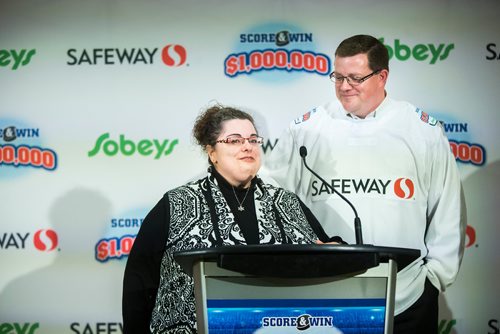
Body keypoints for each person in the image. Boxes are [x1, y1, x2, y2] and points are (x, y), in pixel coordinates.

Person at [262, 34, 467, 333]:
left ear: (382, 76)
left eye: (355, 78)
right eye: (338, 77)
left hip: (407, 295)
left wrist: (435, 277)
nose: (345, 86)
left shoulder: (422, 130)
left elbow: (447, 208)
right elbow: (271, 196)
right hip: (323, 292)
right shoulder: (306, 128)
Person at [122, 104, 341, 333]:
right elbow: (139, 282)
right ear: (212, 152)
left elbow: (326, 247)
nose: (248, 146)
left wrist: (336, 250)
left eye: (253, 140)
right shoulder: (177, 203)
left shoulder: (286, 202)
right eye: (235, 140)